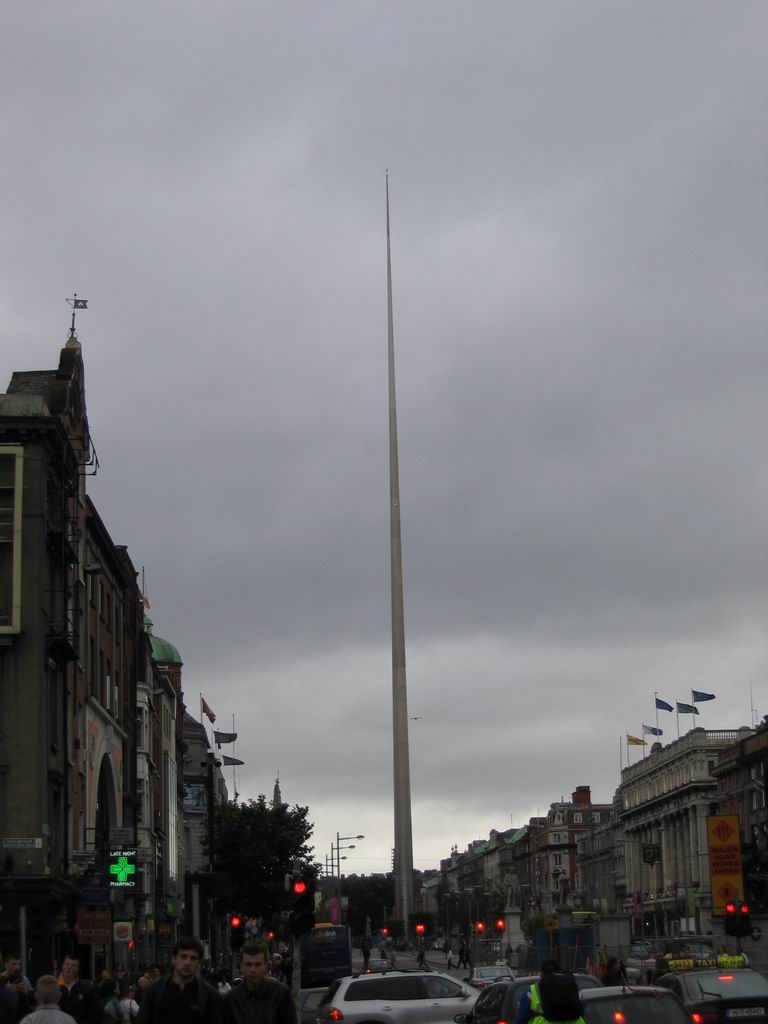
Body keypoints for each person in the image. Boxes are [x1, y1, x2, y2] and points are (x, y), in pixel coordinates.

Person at [136, 938, 221, 1024]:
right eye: (183, 957)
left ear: (198, 963)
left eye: (193, 958)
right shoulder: (154, 991)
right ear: (174, 959)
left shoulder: (209, 995)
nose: (187, 962)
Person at [223, 943, 296, 1024]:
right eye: (248, 964)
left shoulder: (281, 994)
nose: (253, 970)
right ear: (241, 967)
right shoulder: (232, 999)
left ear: (266, 966)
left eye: (258, 964)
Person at [515, 960, 584, 1024]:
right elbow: (582, 1009)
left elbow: (521, 1018)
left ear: (541, 974)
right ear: (560, 971)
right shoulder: (573, 987)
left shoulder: (532, 990)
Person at [58, 957, 97, 1024]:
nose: (69, 967)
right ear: (62, 966)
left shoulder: (85, 990)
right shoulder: (54, 988)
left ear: (77, 969)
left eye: (73, 965)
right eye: (67, 964)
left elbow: (95, 1012)